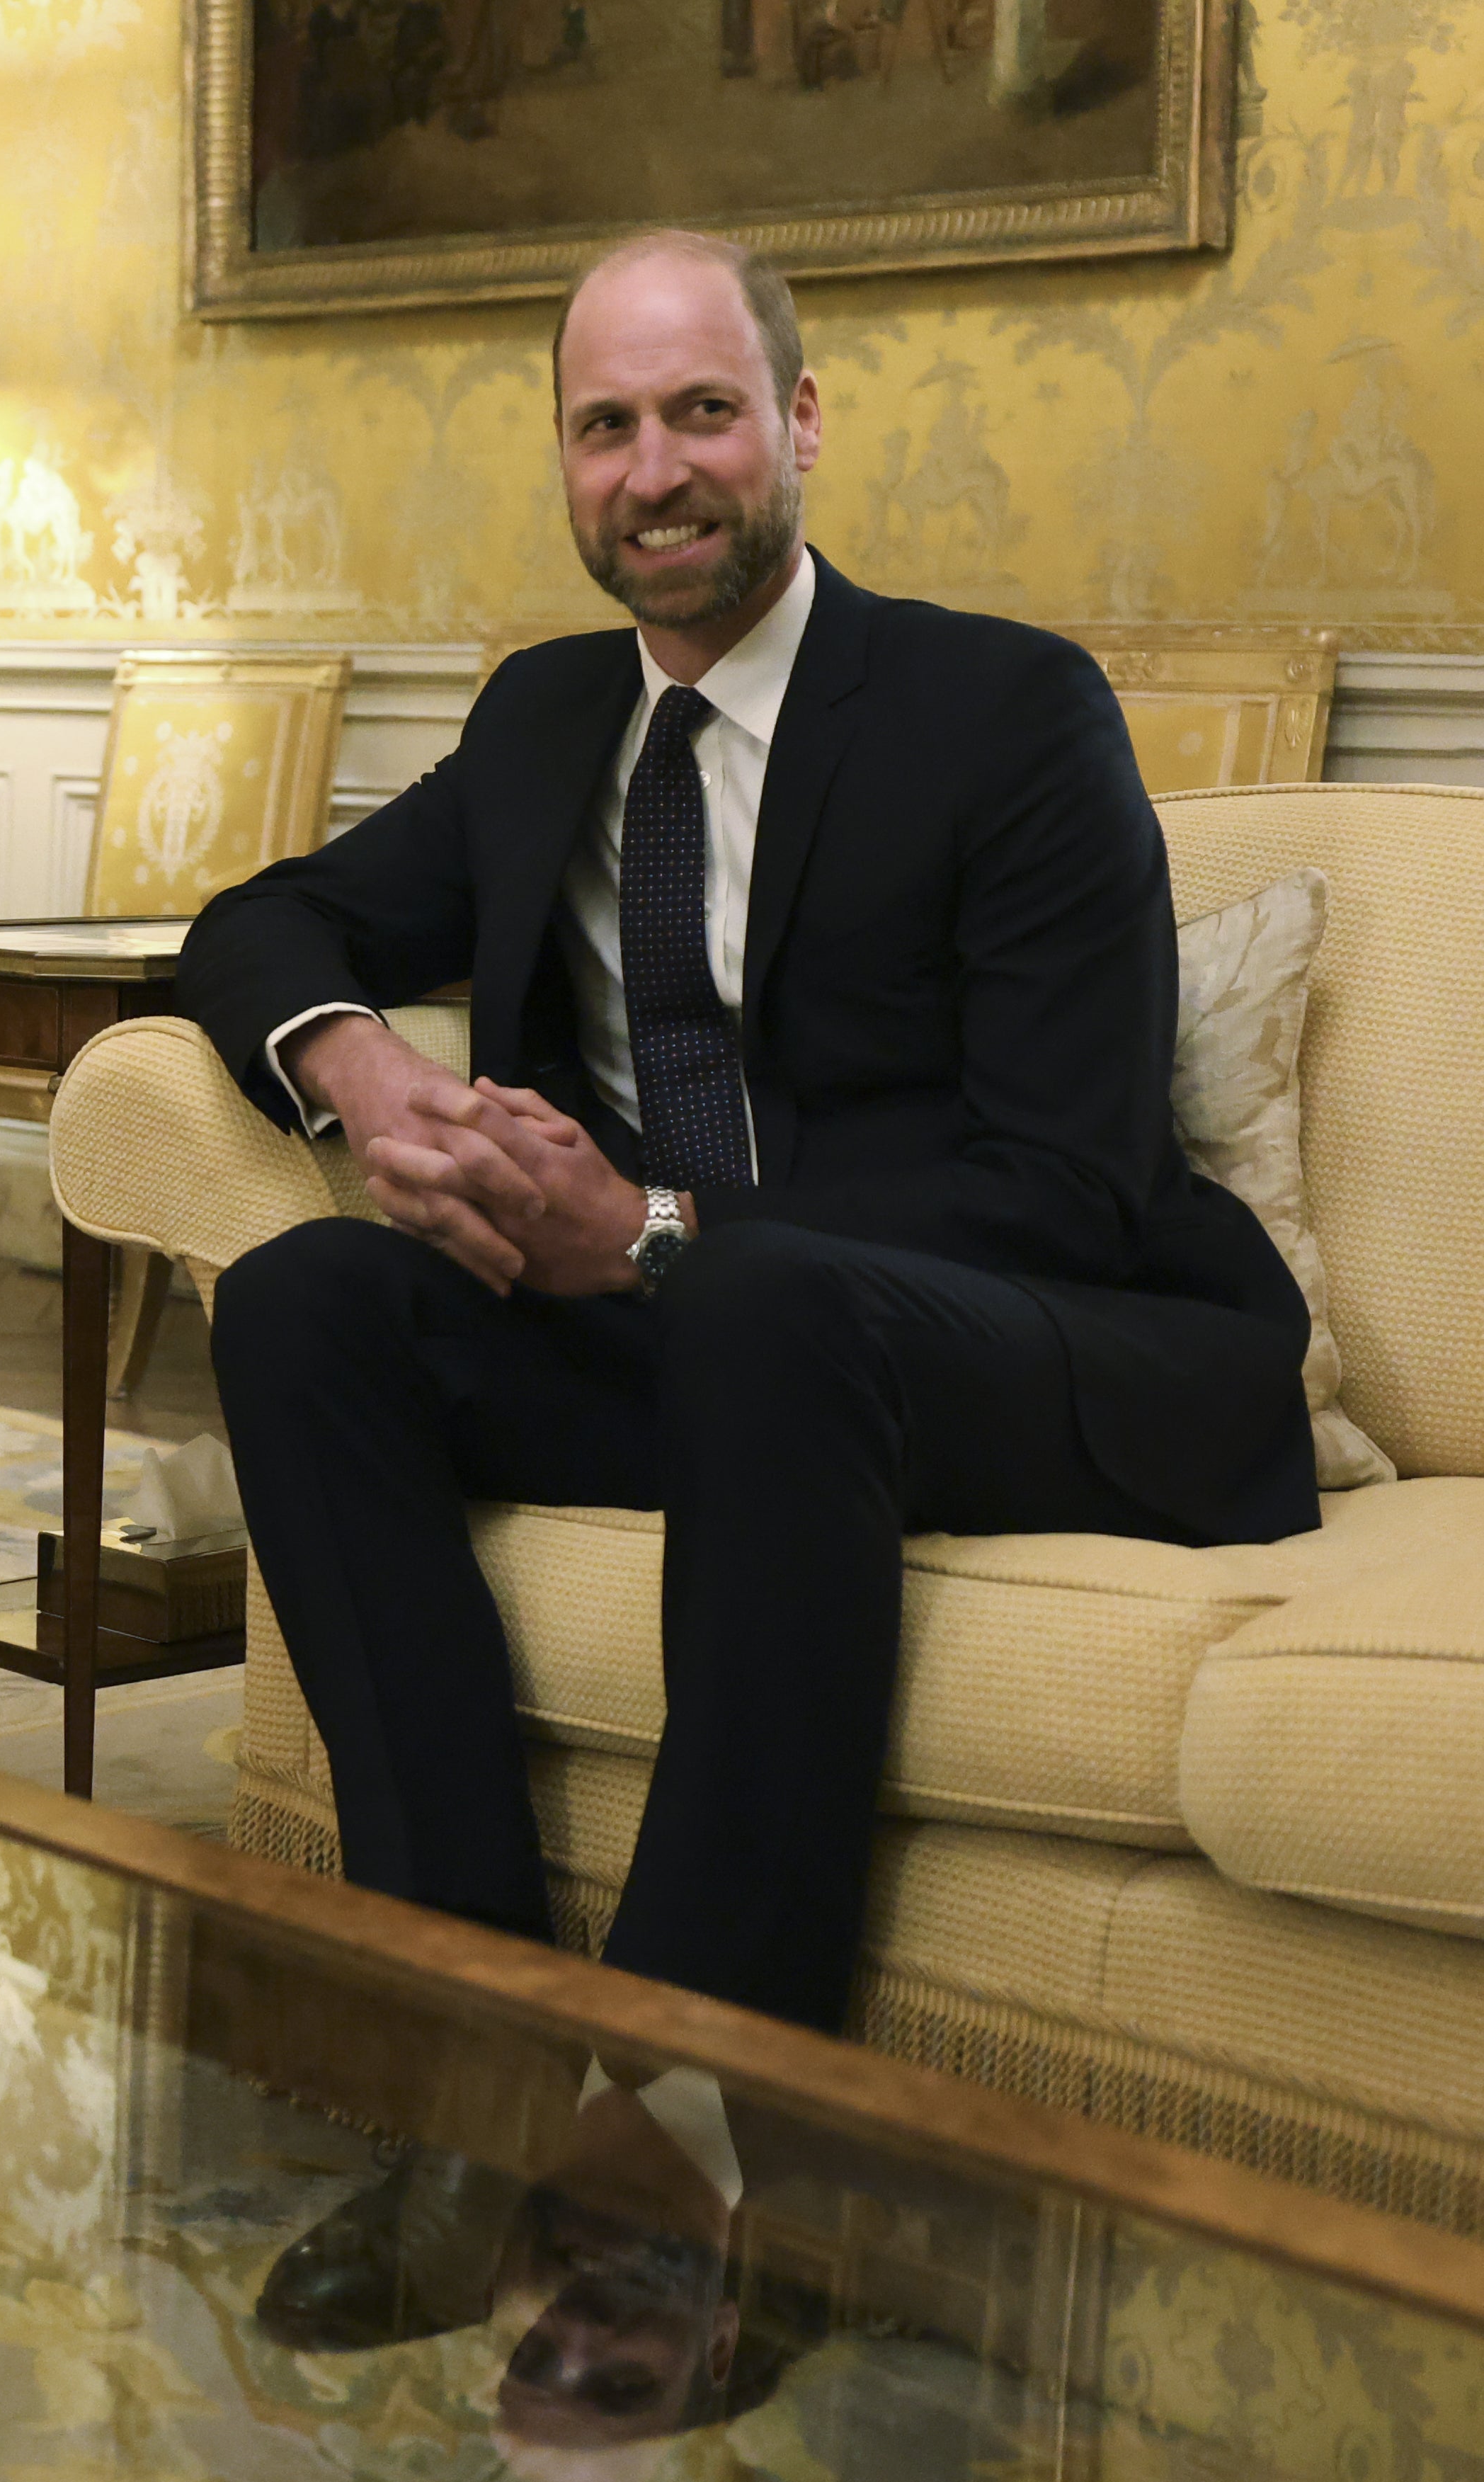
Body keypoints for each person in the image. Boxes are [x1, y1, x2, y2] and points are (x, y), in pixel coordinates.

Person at [182, 231, 1311, 2340]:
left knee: (760, 1308)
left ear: (797, 424)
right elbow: (262, 918)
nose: (655, 471)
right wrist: (359, 1078)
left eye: (702, 411)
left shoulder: (1002, 709)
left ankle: (691, 2172)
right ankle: (473, 2064)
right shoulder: (543, 721)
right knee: (307, 1303)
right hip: (712, 1353)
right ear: (566, 461)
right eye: (605, 427)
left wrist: (671, 1239)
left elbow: (1065, 1186)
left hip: (1031, 1345)